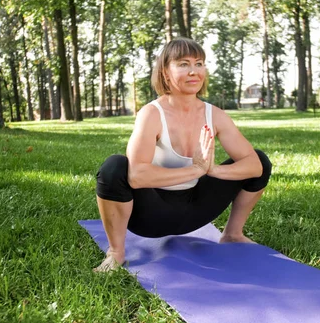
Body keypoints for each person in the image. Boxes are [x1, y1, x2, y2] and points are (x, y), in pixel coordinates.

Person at [94, 37, 272, 272]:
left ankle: (232, 235)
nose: (193, 71)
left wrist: (212, 170)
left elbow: (254, 167)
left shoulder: (215, 115)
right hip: (151, 215)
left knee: (260, 159)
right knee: (113, 167)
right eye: (183, 64)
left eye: (199, 64)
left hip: (197, 210)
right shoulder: (151, 114)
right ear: (166, 72)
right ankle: (116, 253)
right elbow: (137, 175)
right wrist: (195, 170)